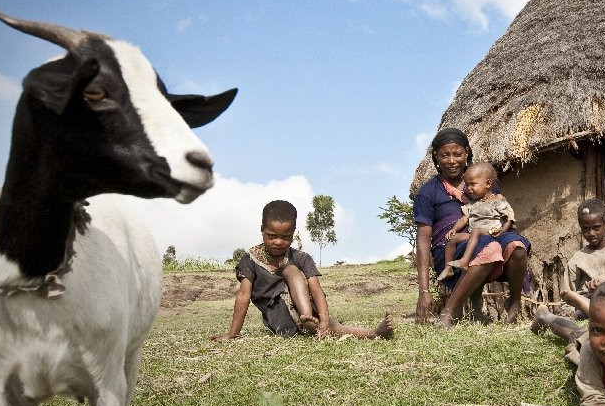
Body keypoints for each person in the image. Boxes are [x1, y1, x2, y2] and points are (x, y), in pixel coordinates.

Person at [212, 200, 393, 341]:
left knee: (327, 322)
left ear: (293, 234)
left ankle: (371, 333)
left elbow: (316, 290)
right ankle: (311, 322)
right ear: (262, 231)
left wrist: (322, 320)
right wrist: (232, 334)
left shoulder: (301, 258)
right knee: (291, 272)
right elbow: (243, 296)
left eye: (286, 237)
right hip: (279, 316)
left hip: (308, 309)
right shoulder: (250, 260)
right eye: (272, 236)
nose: (278, 242)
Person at [413, 128, 529, 327]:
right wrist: (424, 291)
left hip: (489, 236)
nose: (451, 161)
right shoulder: (428, 192)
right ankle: (448, 313)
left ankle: (515, 303)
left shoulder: (485, 182)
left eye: (457, 154)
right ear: (436, 157)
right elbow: (423, 242)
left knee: (517, 246)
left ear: (467, 153)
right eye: (444, 155)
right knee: (487, 248)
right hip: (450, 250)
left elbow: (499, 215)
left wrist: (503, 229)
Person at [439, 162, 515, 281]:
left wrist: (501, 232)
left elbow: (508, 218)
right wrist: (454, 229)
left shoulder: (497, 201)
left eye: (472, 184)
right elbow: (464, 219)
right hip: (473, 234)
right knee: (452, 239)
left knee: (476, 231)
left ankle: (464, 261)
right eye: (467, 185)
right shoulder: (473, 204)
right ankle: (448, 268)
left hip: (491, 233)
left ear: (488, 183)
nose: (468, 189)